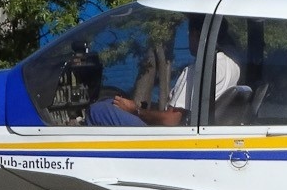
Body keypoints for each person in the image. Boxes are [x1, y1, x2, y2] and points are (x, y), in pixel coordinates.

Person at [88, 19, 241, 127]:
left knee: (99, 109)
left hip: (173, 137)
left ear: (196, 34)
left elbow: (172, 120)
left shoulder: (199, 70)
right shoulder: (232, 65)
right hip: (189, 129)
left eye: (189, 33)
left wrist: (136, 110)